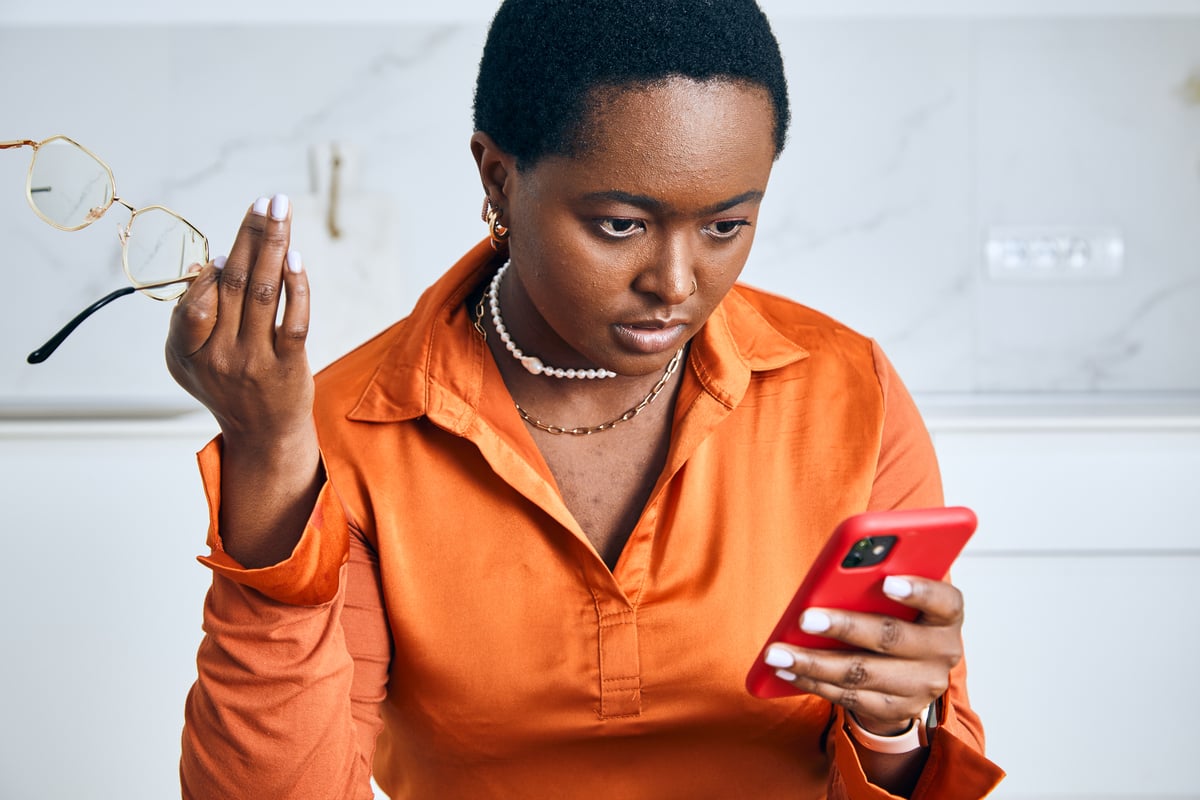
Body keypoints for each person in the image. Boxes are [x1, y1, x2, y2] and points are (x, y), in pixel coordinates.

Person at [166, 1, 1005, 797]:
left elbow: (913, 771)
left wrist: (891, 729)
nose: (675, 284)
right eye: (620, 225)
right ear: (498, 178)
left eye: (724, 227)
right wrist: (268, 459)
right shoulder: (353, 430)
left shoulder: (846, 394)